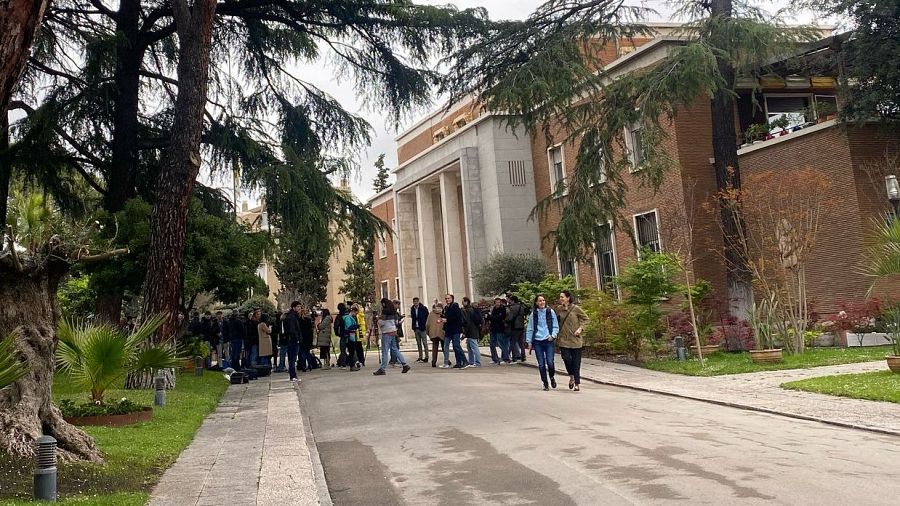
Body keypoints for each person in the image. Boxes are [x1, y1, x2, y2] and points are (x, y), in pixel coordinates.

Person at [556, 290, 590, 391]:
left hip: (575, 340)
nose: (561, 299)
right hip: (563, 339)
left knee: (576, 362)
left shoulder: (576, 309)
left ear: (568, 298)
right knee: (566, 358)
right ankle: (571, 376)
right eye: (560, 297)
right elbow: (554, 321)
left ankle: (577, 383)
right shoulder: (559, 309)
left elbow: (587, 319)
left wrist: (580, 328)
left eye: (562, 297)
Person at [525, 294, 559, 391]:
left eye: (543, 300)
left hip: (548, 340)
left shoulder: (550, 312)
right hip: (538, 341)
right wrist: (529, 342)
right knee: (541, 364)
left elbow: (555, 325)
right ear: (536, 303)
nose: (542, 302)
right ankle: (545, 383)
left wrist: (553, 335)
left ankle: (552, 377)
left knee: (550, 362)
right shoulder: (533, 314)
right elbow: (530, 328)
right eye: (540, 301)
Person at [374, 298, 410, 375]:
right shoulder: (394, 311)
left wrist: (378, 320)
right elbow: (396, 322)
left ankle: (382, 368)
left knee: (385, 350)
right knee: (395, 349)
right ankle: (404, 364)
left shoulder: (385, 311)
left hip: (386, 332)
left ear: (383, 304)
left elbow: (382, 322)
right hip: (393, 331)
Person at [441, 294, 468, 369]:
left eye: (449, 298)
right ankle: (458, 362)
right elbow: (444, 316)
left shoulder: (455, 306)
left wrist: (447, 320)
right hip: (448, 330)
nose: (447, 300)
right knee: (447, 345)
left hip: (455, 329)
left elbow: (456, 317)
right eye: (446, 298)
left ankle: (465, 361)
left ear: (452, 299)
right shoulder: (446, 307)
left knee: (456, 345)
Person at [461, 297, 483, 367]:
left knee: (474, 347)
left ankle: (477, 362)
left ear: (466, 302)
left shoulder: (467, 310)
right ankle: (471, 361)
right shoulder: (472, 310)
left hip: (471, 331)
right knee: (470, 347)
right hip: (474, 330)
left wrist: (464, 333)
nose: (462, 303)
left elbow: (467, 322)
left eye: (463, 301)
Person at [488, 298, 510, 365]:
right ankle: (495, 359)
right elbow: (492, 318)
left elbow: (499, 318)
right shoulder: (493, 309)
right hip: (493, 328)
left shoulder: (502, 309)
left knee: (502, 344)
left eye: (498, 302)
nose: (497, 303)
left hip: (500, 328)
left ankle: (506, 358)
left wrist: (491, 317)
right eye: (496, 302)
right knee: (492, 344)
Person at [506, 295, 527, 363]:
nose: (509, 302)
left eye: (510, 300)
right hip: (521, 326)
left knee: (513, 342)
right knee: (521, 343)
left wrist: (505, 320)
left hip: (514, 327)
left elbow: (510, 318)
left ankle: (514, 357)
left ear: (513, 300)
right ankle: (523, 356)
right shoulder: (522, 307)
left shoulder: (512, 308)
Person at [410, 297, 429, 363]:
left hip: (422, 328)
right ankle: (420, 356)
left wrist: (425, 325)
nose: (415, 303)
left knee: (424, 342)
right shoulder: (412, 309)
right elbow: (413, 318)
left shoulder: (423, 308)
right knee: (418, 343)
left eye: (416, 301)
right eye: (414, 301)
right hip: (416, 327)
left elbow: (427, 317)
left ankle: (426, 357)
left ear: (418, 302)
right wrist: (413, 327)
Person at [426, 302, 445, 368]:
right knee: (444, 347)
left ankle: (433, 362)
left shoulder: (431, 314)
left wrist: (428, 332)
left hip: (433, 333)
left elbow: (427, 324)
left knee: (435, 348)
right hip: (442, 332)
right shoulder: (443, 313)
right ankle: (446, 360)